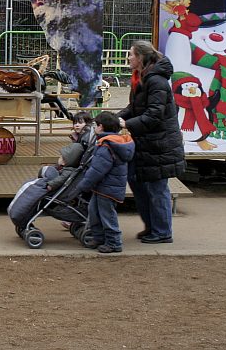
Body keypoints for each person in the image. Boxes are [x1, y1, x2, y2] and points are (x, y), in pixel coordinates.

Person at [118, 39, 186, 244]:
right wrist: (114, 119)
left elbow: (154, 115)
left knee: (157, 188)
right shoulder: (142, 78)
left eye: (131, 54)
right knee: (138, 183)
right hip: (148, 143)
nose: (128, 58)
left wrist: (126, 124)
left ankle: (162, 231)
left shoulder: (156, 81)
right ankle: (153, 228)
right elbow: (134, 108)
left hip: (159, 144)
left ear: (140, 57)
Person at [74, 111, 135, 254]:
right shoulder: (114, 142)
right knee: (94, 211)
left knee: (107, 215)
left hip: (107, 188)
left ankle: (114, 242)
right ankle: (99, 237)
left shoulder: (106, 146)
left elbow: (97, 170)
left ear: (100, 127)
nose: (94, 127)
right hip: (105, 187)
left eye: (95, 125)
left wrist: (84, 185)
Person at [46, 111, 97, 193]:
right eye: (75, 123)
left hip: (75, 167)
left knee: (61, 173)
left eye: (80, 123)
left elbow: (77, 155)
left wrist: (64, 160)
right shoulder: (82, 136)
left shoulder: (85, 138)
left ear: (87, 124)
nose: (76, 125)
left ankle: (50, 185)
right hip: (76, 165)